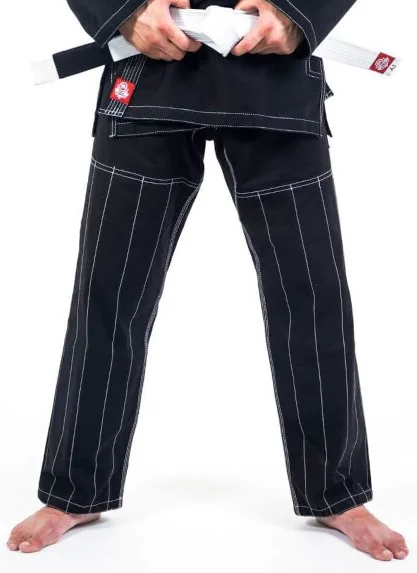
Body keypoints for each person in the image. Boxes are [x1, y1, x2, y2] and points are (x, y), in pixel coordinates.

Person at [7, 0, 409, 560]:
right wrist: (125, 11)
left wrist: (297, 14)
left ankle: (337, 492)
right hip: (148, 69)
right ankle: (76, 489)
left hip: (275, 71)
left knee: (312, 292)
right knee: (109, 290)